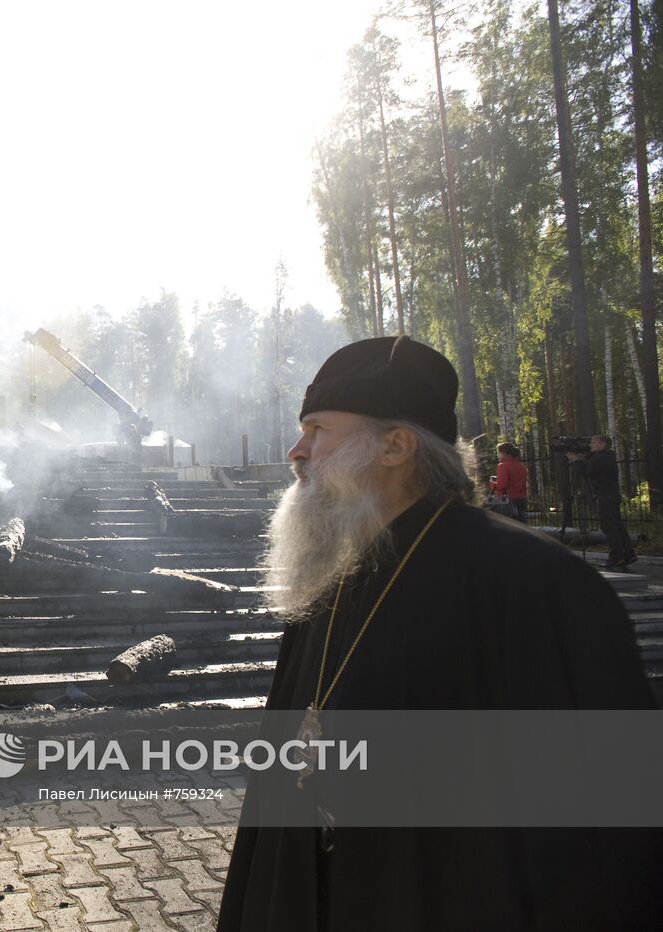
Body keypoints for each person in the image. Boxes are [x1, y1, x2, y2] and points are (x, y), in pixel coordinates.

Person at [216, 336, 663, 932]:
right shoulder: (329, 579)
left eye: (319, 429)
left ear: (396, 445)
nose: (297, 451)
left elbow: (608, 832)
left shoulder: (534, 582)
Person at [580, 435, 637, 569]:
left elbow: (588, 472)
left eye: (594, 442)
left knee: (609, 527)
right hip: (611, 495)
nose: (590, 445)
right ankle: (628, 554)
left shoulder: (600, 459)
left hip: (605, 496)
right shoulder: (607, 457)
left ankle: (617, 557)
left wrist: (576, 462)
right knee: (617, 526)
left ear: (603, 444)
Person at [488, 441, 528, 522]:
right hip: (521, 499)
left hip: (507, 501)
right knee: (522, 526)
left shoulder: (502, 466)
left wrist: (492, 484)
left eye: (498, 453)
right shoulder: (522, 466)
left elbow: (502, 485)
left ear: (503, 453)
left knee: (506, 526)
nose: (497, 455)